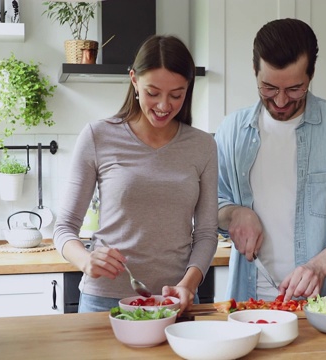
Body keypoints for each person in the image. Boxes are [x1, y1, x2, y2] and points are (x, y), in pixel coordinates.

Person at [215, 18, 326, 303]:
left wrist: (318, 266)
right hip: (248, 302)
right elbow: (211, 207)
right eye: (268, 88)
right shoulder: (231, 130)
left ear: (311, 74)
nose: (280, 101)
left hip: (324, 305)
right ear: (255, 71)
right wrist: (234, 214)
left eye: (294, 89)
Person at [54, 35, 218, 314]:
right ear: (134, 81)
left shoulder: (203, 146)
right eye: (153, 92)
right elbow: (64, 227)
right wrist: (86, 260)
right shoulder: (98, 136)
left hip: (176, 302)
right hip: (105, 300)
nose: (164, 105)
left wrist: (188, 285)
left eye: (176, 95)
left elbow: (205, 233)